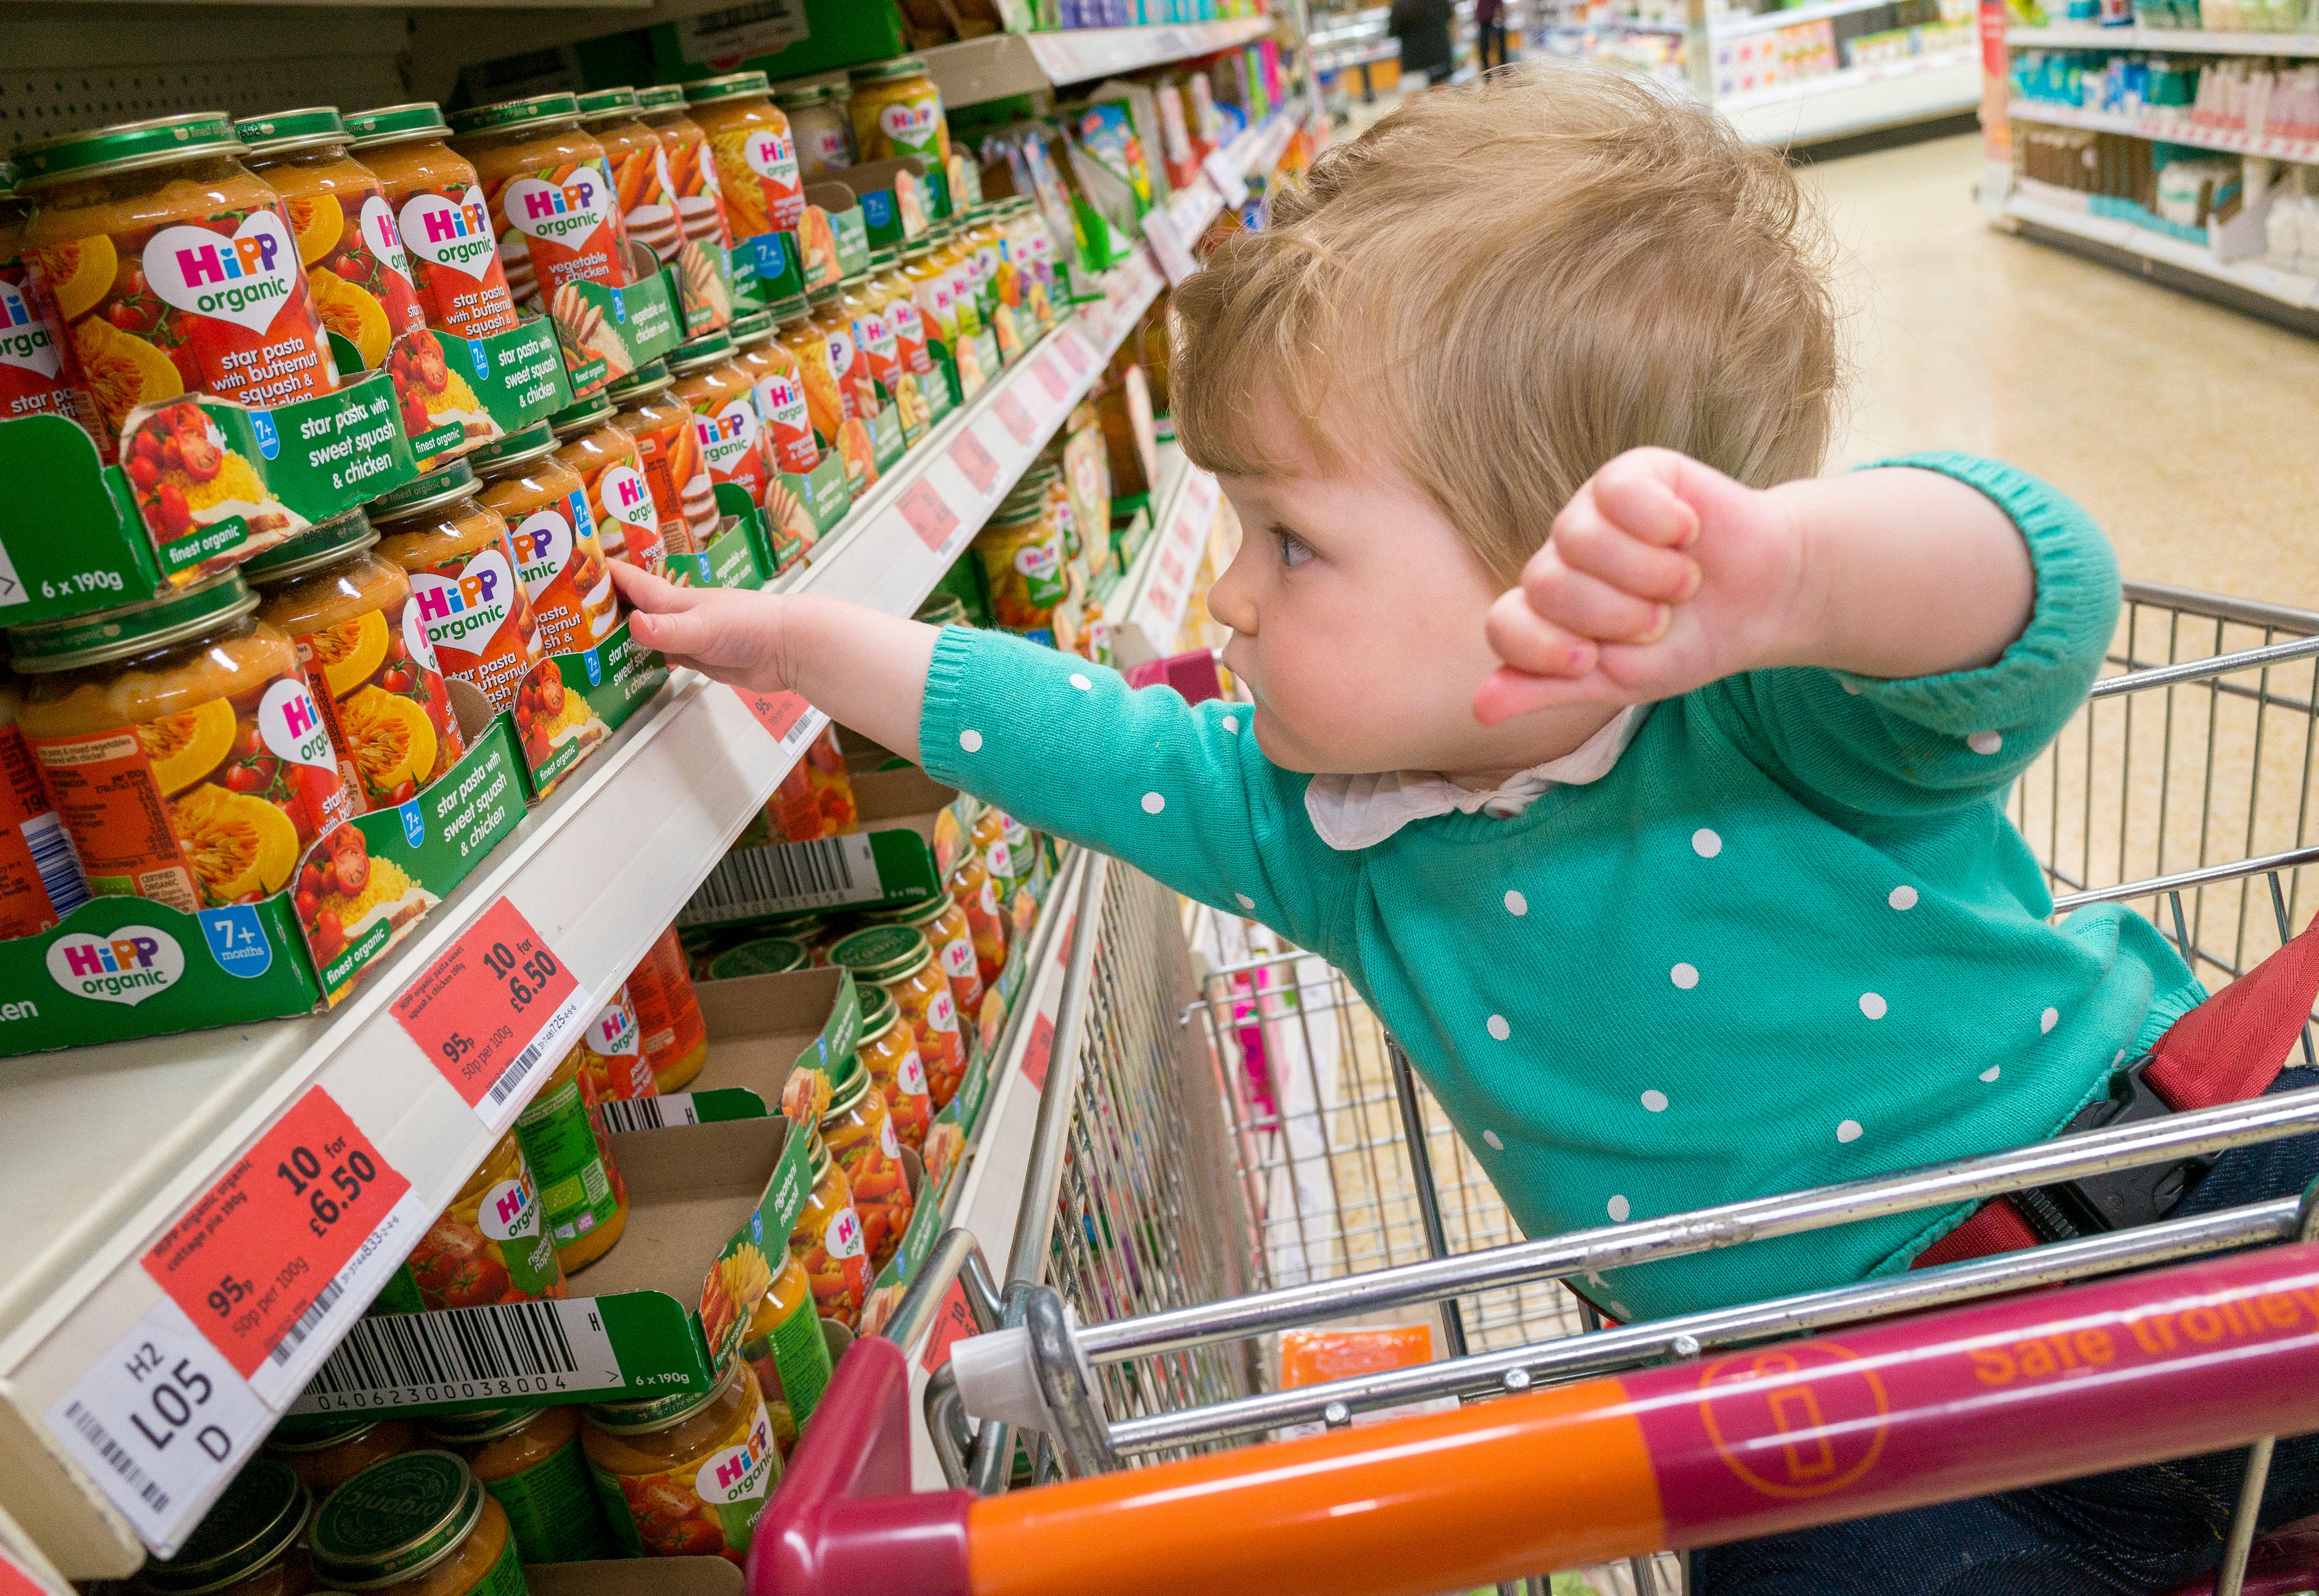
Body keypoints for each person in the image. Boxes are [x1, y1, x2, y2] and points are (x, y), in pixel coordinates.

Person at [613, 62, 2319, 1596]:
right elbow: (1087, 739)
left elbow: (2039, 599)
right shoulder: (1316, 832)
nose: (1232, 597)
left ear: (1543, 550)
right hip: (1835, 1450)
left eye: (1291, 541)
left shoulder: (1765, 709)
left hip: (2174, 1196)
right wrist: (813, 646)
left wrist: (1792, 575)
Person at [1387, 0, 1457, 89]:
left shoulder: (1401, 4)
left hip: (1413, 59)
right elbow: (1450, 18)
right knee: (1440, 94)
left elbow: (1393, 30)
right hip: (1439, 55)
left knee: (1413, 97)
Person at [1477, 0, 1508, 71]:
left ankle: (1503, 69)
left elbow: (1499, 6)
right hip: (1484, 22)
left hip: (1495, 19)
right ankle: (1487, 72)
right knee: (1484, 48)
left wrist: (1499, 16)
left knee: (1501, 48)